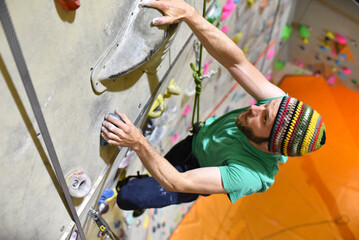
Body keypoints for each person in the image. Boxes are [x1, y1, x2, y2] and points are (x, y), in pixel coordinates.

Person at [101, 0, 326, 213]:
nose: (256, 108)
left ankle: (137, 186)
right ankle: (149, 175)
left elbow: (178, 181)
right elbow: (235, 62)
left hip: (194, 172)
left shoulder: (251, 175)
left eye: (263, 119)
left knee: (129, 196)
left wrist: (138, 142)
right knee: (160, 168)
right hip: (195, 142)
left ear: (270, 146)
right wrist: (190, 14)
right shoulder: (278, 106)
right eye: (267, 106)